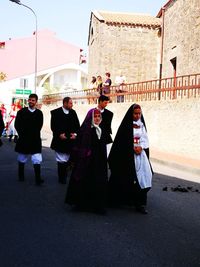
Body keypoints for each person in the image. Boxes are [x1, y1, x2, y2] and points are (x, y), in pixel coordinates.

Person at [108, 104, 153, 214]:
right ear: (131, 114)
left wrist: (141, 147)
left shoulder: (141, 125)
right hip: (127, 156)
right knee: (127, 178)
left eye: (139, 113)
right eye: (135, 113)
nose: (137, 116)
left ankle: (140, 204)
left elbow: (144, 139)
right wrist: (132, 147)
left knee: (144, 177)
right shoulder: (126, 127)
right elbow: (121, 142)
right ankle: (120, 199)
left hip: (140, 155)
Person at [65, 108, 108, 214]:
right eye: (95, 116)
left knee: (98, 183)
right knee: (85, 182)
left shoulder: (101, 129)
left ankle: (97, 206)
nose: (97, 118)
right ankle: (82, 204)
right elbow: (80, 146)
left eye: (99, 116)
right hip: (87, 161)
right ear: (91, 118)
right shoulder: (85, 130)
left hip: (99, 162)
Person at [15, 94, 44, 185]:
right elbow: (17, 125)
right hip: (23, 139)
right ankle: (21, 176)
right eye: (30, 100)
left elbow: (40, 125)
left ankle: (38, 179)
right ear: (28, 101)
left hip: (35, 140)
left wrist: (33, 134)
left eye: (33, 100)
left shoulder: (39, 113)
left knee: (37, 158)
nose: (31, 102)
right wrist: (22, 135)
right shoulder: (21, 112)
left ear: (36, 102)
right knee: (22, 158)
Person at [50, 97, 80, 184]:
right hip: (60, 140)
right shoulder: (56, 113)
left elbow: (77, 125)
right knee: (61, 159)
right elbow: (53, 126)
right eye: (70, 103)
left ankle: (65, 175)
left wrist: (75, 134)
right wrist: (59, 134)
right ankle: (61, 178)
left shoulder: (73, 112)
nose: (72, 105)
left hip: (70, 140)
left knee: (67, 159)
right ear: (65, 103)